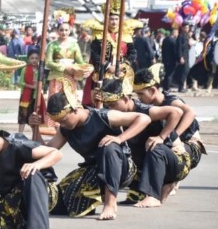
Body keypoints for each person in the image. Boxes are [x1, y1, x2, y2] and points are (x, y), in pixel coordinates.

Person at [30, 90, 151, 220]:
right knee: (58, 206)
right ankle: (92, 201)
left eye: (64, 120)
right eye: (59, 122)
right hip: (94, 171)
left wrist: (120, 138)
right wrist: (34, 129)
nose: (62, 125)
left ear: (75, 109)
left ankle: (110, 203)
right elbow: (47, 151)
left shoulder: (103, 116)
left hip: (121, 168)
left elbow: (144, 118)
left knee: (108, 146)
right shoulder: (65, 129)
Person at [100, 75, 189, 208]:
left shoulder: (146, 110)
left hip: (175, 161)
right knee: (110, 147)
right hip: (144, 164)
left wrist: (161, 137)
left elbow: (176, 112)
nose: (110, 109)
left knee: (154, 146)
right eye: (108, 106)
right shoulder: (115, 115)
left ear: (126, 99)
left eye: (113, 105)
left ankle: (154, 196)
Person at [81, 0, 138, 107]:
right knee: (101, 98)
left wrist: (124, 65)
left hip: (121, 71)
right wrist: (108, 67)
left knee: (120, 98)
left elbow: (133, 53)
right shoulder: (99, 34)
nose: (114, 22)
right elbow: (95, 54)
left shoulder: (126, 35)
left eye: (116, 19)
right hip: (103, 72)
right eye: (111, 19)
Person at [44, 13, 92, 128]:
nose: (64, 32)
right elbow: (48, 62)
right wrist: (64, 67)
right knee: (55, 101)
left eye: (66, 30)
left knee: (69, 100)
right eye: (61, 30)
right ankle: (55, 126)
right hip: (56, 77)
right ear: (57, 31)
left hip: (70, 77)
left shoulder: (74, 45)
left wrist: (89, 67)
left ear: (70, 31)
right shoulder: (52, 45)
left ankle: (70, 123)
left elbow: (80, 62)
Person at [17, 50, 40, 133]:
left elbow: (42, 83)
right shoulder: (25, 69)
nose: (34, 60)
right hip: (25, 97)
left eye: (36, 58)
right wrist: (31, 86)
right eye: (32, 58)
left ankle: (35, 135)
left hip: (35, 97)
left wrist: (38, 85)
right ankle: (20, 134)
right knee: (23, 116)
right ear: (28, 59)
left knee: (33, 116)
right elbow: (20, 82)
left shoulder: (40, 70)